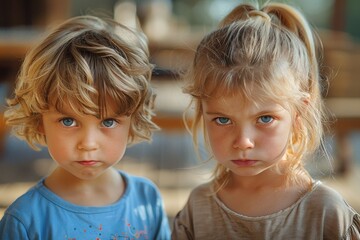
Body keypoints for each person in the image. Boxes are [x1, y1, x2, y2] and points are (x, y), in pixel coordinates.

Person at [171, 2, 360, 239]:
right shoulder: (197, 209)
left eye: (265, 118)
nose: (243, 141)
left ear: (298, 114)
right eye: (222, 120)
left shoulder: (326, 212)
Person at [0, 15, 170, 239]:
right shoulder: (26, 220)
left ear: (132, 121)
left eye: (108, 122)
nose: (88, 144)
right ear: (40, 120)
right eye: (68, 121)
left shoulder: (147, 200)